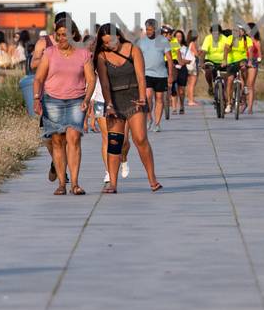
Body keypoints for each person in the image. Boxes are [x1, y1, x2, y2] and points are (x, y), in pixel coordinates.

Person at [90, 24, 163, 192]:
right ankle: (113, 183)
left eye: (113, 40)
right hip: (114, 101)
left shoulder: (133, 50)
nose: (111, 45)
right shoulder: (101, 56)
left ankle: (152, 180)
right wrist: (108, 105)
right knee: (114, 142)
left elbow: (140, 75)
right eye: (106, 43)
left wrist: (143, 97)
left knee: (140, 138)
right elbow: (105, 84)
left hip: (134, 99)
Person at [35, 17, 95, 195]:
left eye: (65, 35)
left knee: (74, 140)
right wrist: (36, 99)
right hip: (52, 100)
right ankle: (62, 183)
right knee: (57, 141)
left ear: (73, 34)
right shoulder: (50, 53)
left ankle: (75, 183)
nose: (61, 38)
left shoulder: (83, 54)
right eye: (59, 35)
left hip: (76, 100)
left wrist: (87, 98)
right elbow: (38, 78)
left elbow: (91, 79)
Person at [135, 19, 171, 131]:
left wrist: (170, 75)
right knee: (148, 96)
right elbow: (136, 59)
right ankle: (149, 118)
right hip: (146, 74)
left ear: (155, 29)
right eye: (147, 29)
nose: (148, 31)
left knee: (159, 99)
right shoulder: (141, 42)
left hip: (161, 75)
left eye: (150, 29)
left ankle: (157, 123)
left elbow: (169, 59)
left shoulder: (163, 41)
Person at [243, 21, 264, 114]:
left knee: (250, 85)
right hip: (243, 61)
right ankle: (243, 103)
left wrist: (259, 59)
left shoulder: (256, 41)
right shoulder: (243, 40)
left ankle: (250, 107)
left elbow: (260, 54)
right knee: (242, 84)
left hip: (253, 62)